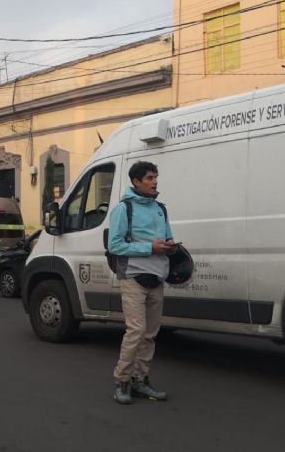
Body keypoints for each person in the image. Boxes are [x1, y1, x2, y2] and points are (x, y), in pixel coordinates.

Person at [108, 161, 176, 405]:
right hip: (134, 278)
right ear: (136, 181)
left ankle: (140, 380)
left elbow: (166, 238)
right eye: (149, 178)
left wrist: (169, 245)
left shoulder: (160, 209)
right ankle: (122, 381)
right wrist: (150, 247)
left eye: (155, 177)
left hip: (157, 277)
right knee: (135, 332)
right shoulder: (123, 209)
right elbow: (114, 245)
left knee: (149, 335)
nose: (154, 181)